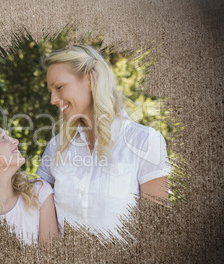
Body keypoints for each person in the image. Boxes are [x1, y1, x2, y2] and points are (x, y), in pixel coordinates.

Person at [36, 44, 171, 238]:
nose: (52, 99)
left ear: (90, 79)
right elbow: (35, 211)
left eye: (59, 87)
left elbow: (156, 231)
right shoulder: (56, 148)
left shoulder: (146, 142)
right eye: (51, 90)